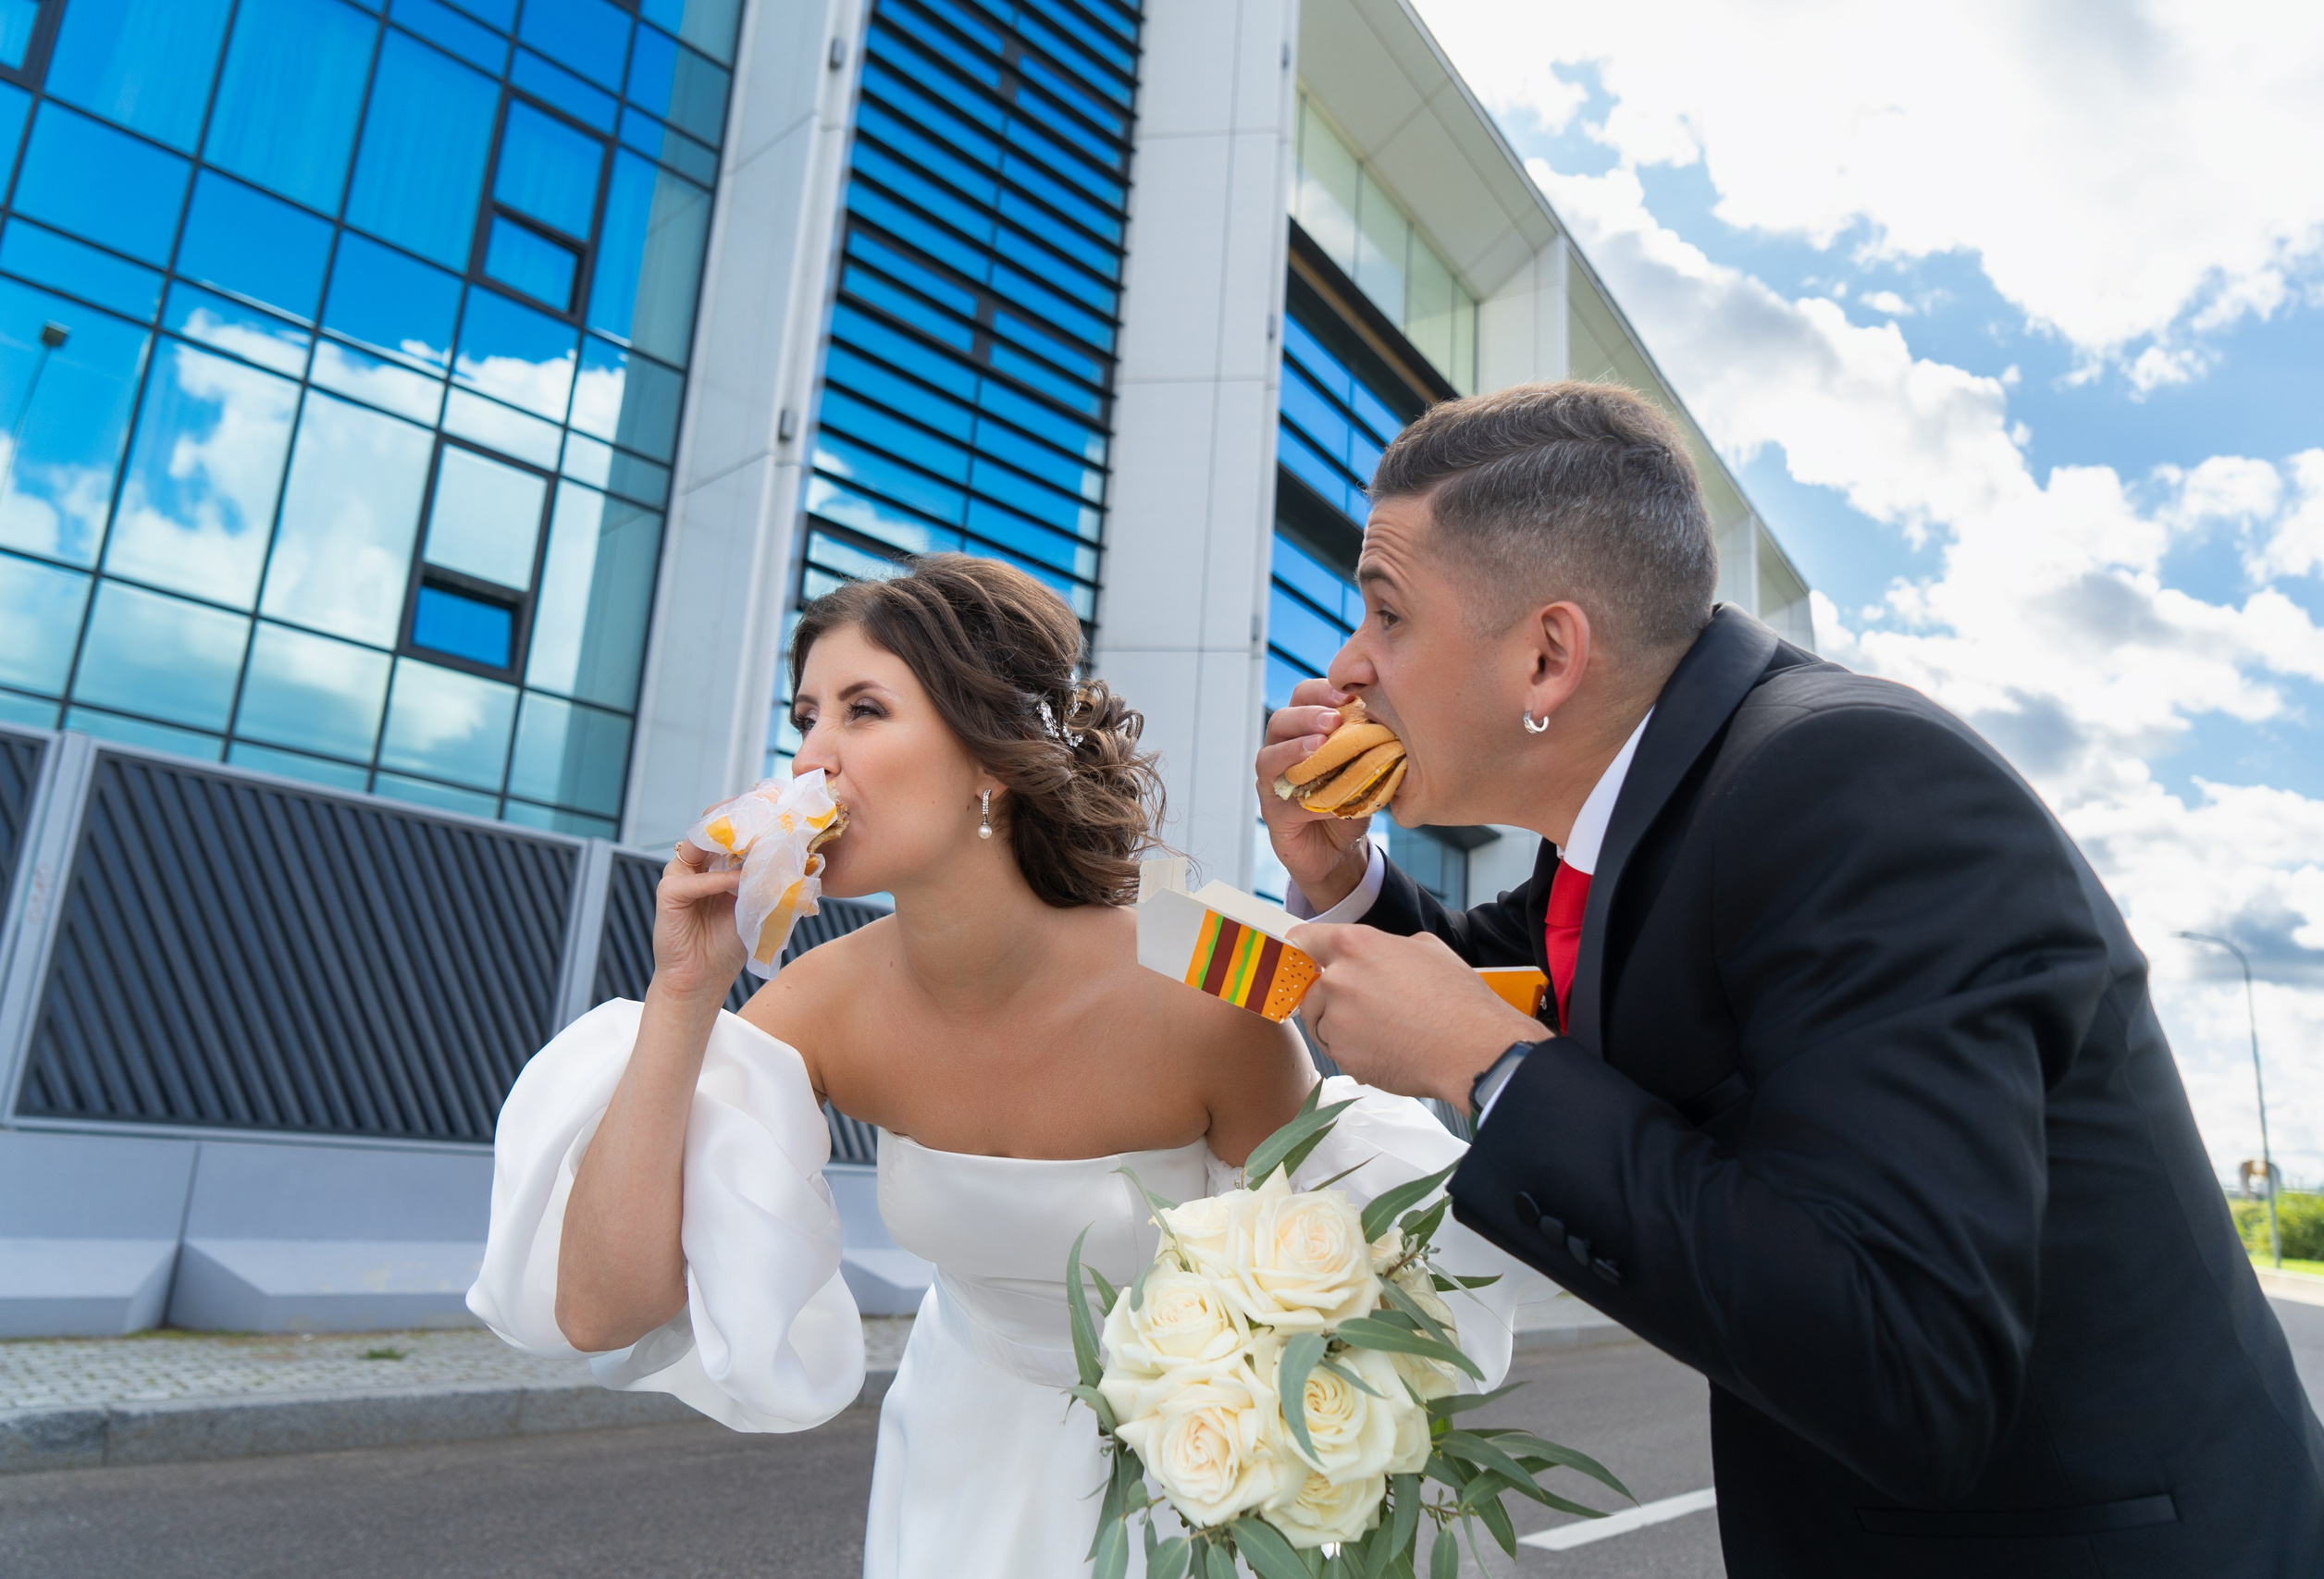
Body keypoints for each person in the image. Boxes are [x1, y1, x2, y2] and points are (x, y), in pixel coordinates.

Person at [1256, 382, 2324, 1577]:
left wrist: (1492, 1063)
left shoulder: (1852, 785)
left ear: (1549, 655)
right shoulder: (1660, 810)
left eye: (1386, 612)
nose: (1348, 666)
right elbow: (1491, 973)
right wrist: (1342, 878)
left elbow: (1911, 1359)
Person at [467, 555, 1542, 1577]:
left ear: (989, 755)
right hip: (957, 1459)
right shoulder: (821, 1003)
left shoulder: (1198, 969)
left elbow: (1332, 1295)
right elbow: (603, 1314)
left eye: (862, 711)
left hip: (1192, 1480)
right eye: (803, 720)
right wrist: (684, 993)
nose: (809, 761)